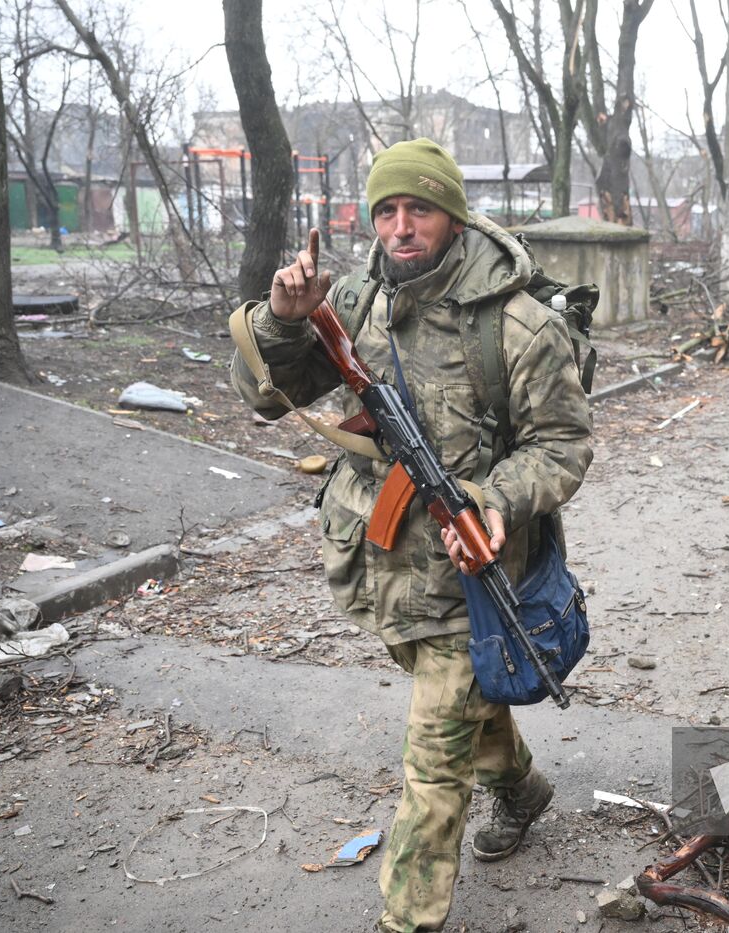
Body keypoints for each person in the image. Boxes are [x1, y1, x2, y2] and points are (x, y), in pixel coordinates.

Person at [229, 138, 593, 933]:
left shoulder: (518, 323)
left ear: (451, 216)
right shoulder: (353, 302)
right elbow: (267, 397)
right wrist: (284, 322)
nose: (401, 226)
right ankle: (523, 789)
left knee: (432, 762)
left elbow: (564, 444)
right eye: (386, 210)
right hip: (385, 568)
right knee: (459, 699)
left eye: (419, 208)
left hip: (475, 571)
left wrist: (494, 499)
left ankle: (407, 918)